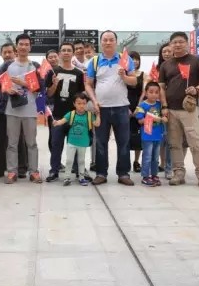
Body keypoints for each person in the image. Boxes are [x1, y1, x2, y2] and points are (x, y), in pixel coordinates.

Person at [158, 31, 199, 188]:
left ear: (187, 43)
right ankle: (178, 173)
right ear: (171, 44)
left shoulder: (196, 61)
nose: (178, 44)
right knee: (174, 144)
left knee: (195, 142)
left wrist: (197, 89)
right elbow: (161, 88)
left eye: (181, 42)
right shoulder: (165, 65)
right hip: (171, 110)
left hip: (189, 109)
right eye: (175, 42)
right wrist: (164, 106)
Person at [85, 30, 137, 186]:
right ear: (101, 42)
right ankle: (101, 173)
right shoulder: (94, 61)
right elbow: (88, 84)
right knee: (101, 142)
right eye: (105, 39)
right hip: (101, 109)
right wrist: (94, 101)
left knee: (123, 142)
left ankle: (123, 174)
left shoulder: (125, 59)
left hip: (121, 107)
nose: (108, 42)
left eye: (111, 39)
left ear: (116, 42)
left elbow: (134, 81)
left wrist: (124, 76)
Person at [3, 33, 43, 184]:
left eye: (27, 44)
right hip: (12, 110)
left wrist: (23, 83)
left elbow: (40, 89)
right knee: (12, 143)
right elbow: (3, 85)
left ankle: (34, 172)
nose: (24, 47)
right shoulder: (8, 66)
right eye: (21, 44)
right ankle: (12, 172)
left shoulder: (35, 66)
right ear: (16, 46)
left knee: (31, 143)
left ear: (30, 47)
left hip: (30, 110)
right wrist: (8, 90)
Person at [45, 42, 86, 182]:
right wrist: (55, 84)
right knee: (56, 144)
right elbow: (49, 94)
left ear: (73, 53)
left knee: (76, 144)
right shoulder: (52, 71)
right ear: (60, 53)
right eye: (64, 50)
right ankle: (54, 170)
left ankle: (78, 170)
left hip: (74, 115)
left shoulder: (79, 73)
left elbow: (81, 96)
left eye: (69, 50)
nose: (66, 52)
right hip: (57, 114)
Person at [0, 43, 28, 179]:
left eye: (10, 52)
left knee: (19, 139)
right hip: (0, 108)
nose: (7, 55)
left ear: (15, 53)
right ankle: (1, 167)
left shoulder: (22, 69)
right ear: (1, 54)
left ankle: (21, 167)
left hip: (17, 108)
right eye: (4, 52)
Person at [52, 92, 100, 186]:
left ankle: (81, 178)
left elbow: (97, 124)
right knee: (69, 160)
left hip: (83, 142)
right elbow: (62, 121)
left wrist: (98, 115)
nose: (81, 106)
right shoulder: (71, 114)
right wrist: (56, 123)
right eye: (79, 103)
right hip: (71, 142)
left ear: (86, 104)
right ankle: (67, 177)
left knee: (81, 161)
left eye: (84, 103)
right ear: (74, 104)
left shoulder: (90, 115)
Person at [135, 82, 166, 187]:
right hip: (147, 135)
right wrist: (153, 118)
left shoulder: (160, 105)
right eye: (151, 92)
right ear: (146, 93)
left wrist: (164, 118)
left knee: (155, 158)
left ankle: (154, 175)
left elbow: (164, 116)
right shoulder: (142, 105)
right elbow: (140, 120)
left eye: (156, 92)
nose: (154, 94)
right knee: (147, 156)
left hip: (158, 135)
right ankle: (145, 176)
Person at [150, 42, 174, 179]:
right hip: (157, 107)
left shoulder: (178, 68)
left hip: (174, 106)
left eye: (169, 51)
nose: (166, 54)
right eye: (164, 51)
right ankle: (160, 164)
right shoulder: (156, 69)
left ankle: (170, 167)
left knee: (171, 139)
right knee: (159, 138)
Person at [127, 51, 145, 173]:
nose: (135, 61)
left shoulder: (143, 74)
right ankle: (126, 161)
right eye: (132, 59)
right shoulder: (124, 74)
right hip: (125, 106)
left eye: (137, 59)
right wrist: (126, 107)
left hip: (139, 106)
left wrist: (139, 106)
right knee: (125, 136)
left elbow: (144, 92)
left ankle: (136, 161)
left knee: (138, 136)